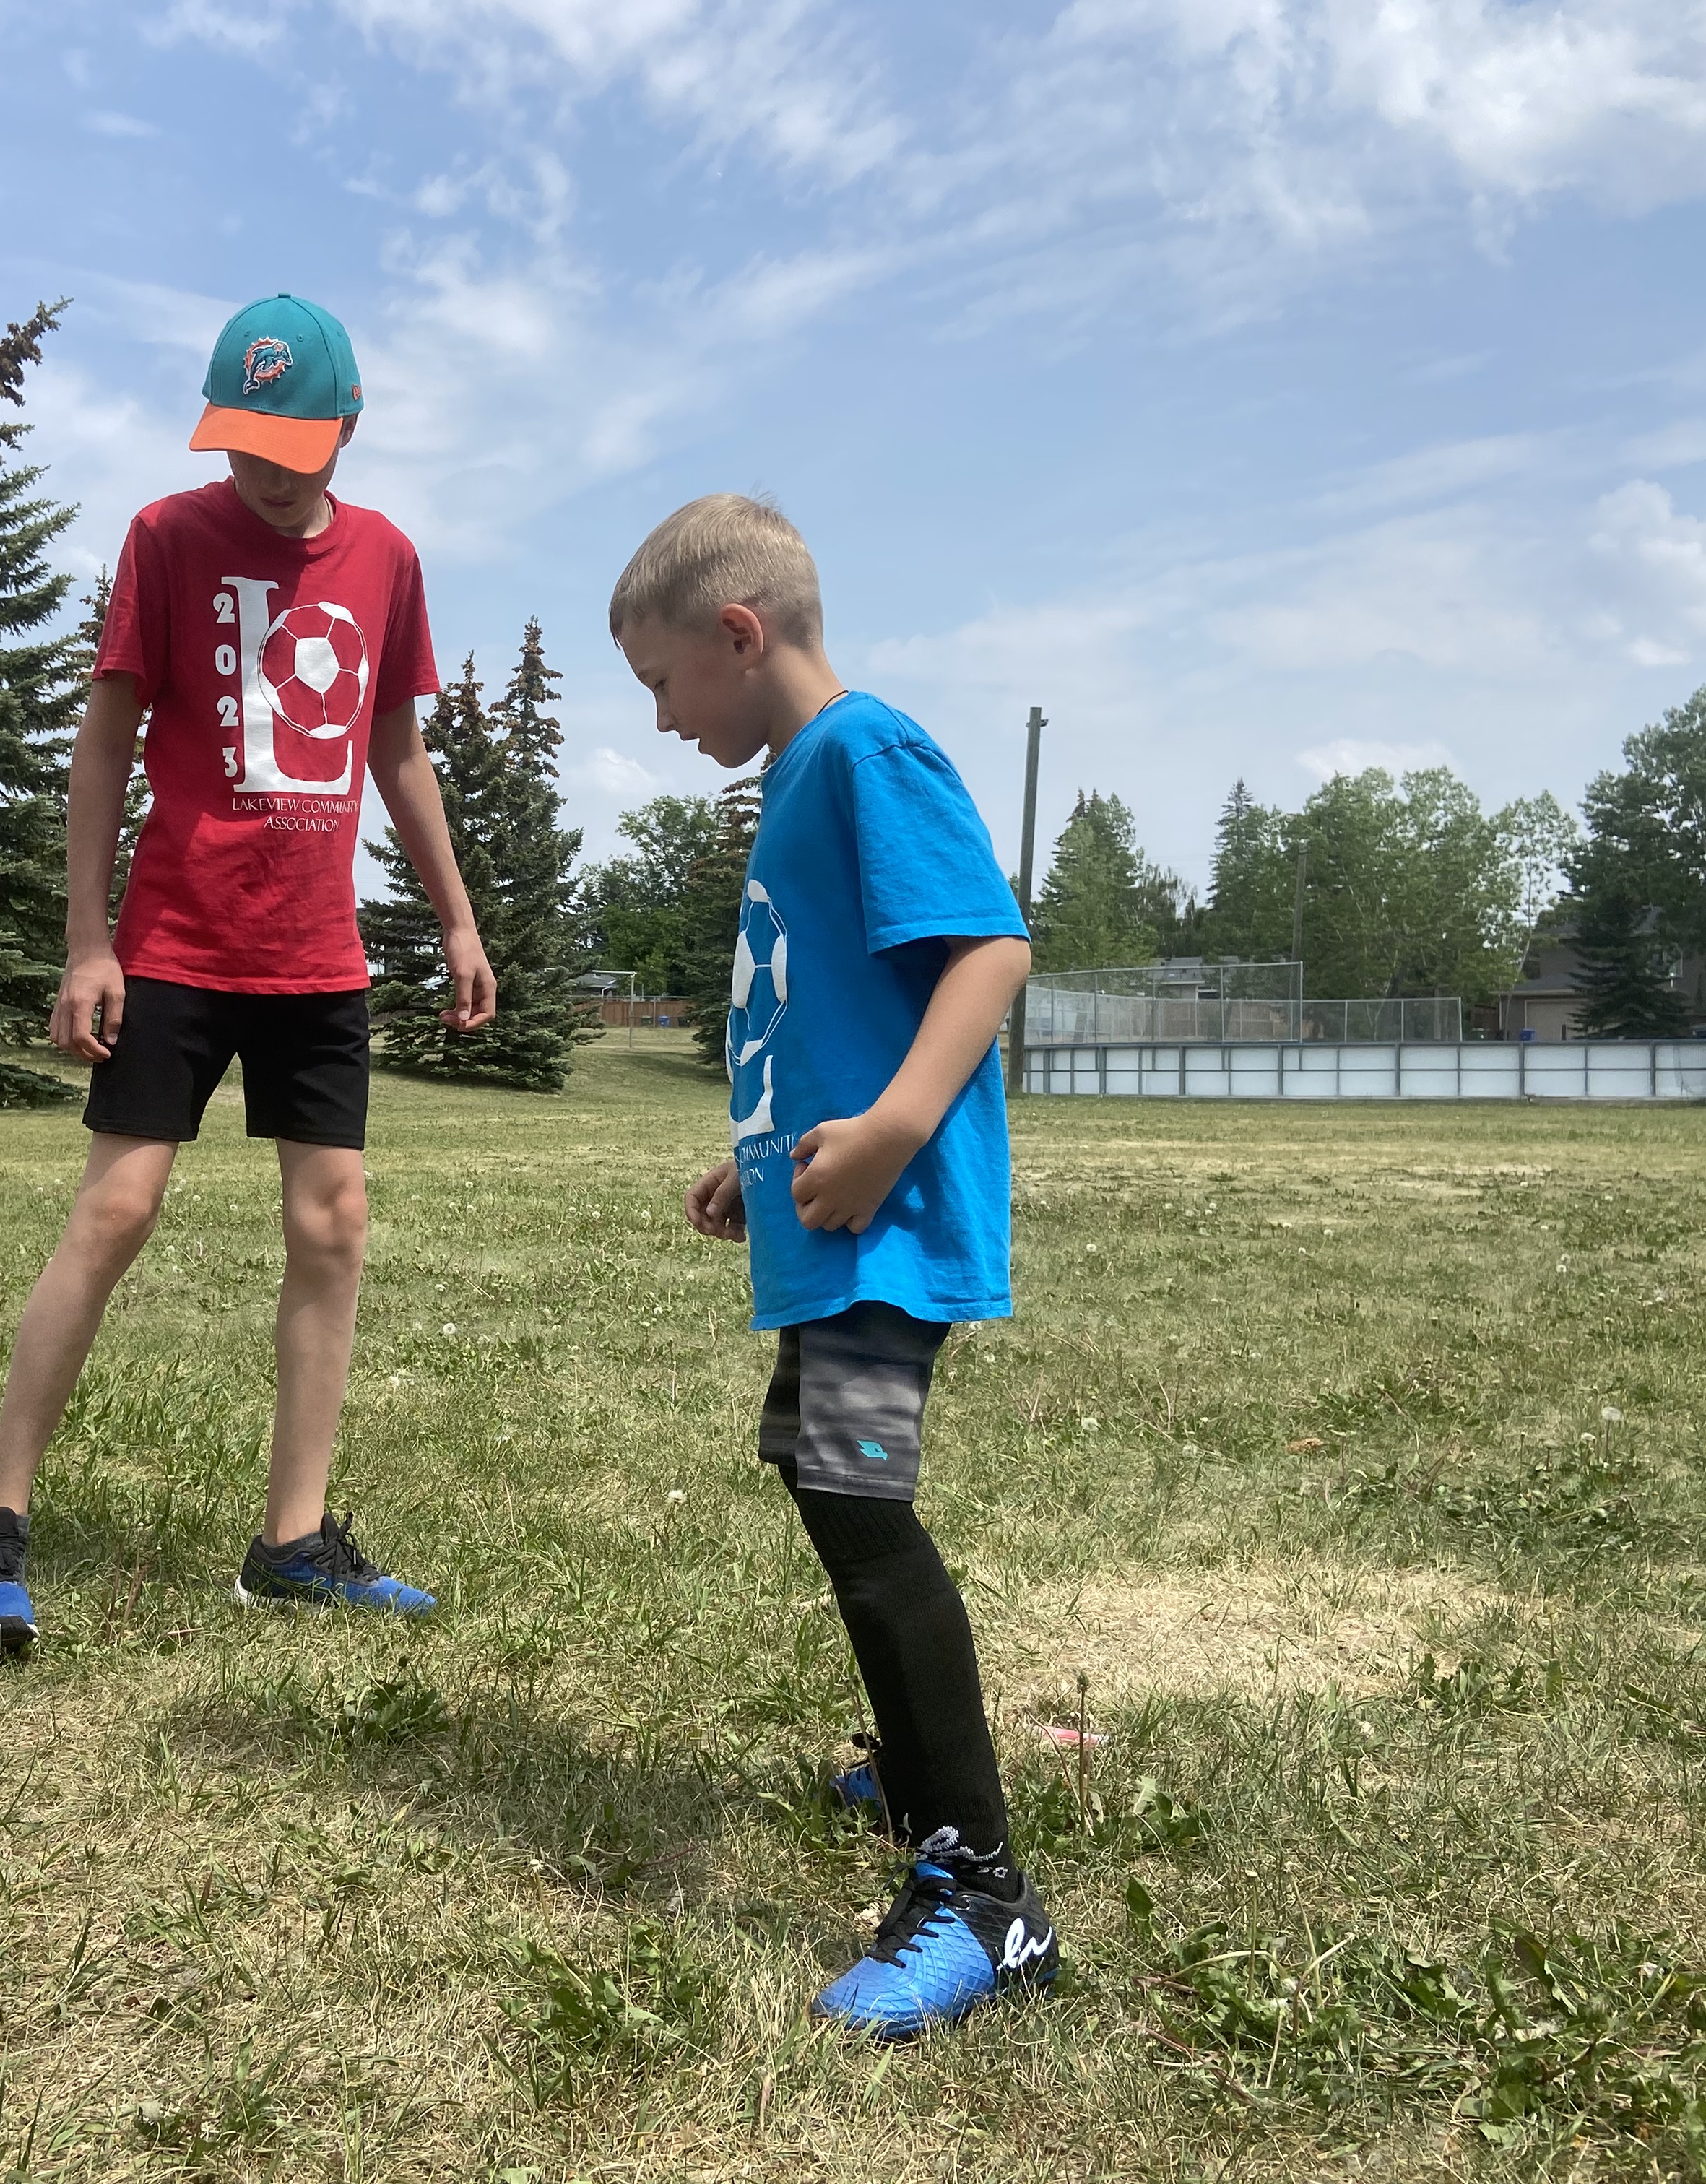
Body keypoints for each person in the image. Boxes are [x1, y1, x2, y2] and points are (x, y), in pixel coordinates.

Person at [0, 294, 495, 1651]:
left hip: (315, 957)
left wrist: (461, 923)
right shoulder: (167, 540)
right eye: (237, 438)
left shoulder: (388, 560)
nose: (254, 465)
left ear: (345, 429)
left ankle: (294, 1542)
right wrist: (89, 938)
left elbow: (399, 754)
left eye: (286, 441)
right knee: (116, 1212)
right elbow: (105, 743)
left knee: (334, 1223)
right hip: (179, 945)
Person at [611, 493, 1054, 2038]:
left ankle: (984, 1890)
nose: (661, 718)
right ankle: (913, 1757)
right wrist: (761, 1165)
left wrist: (889, 1135)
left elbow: (988, 949)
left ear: (740, 634)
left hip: (891, 1230)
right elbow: (821, 1014)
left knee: (860, 1496)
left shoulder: (864, 752)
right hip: (829, 1224)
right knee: (815, 1468)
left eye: (663, 681)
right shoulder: (798, 776)